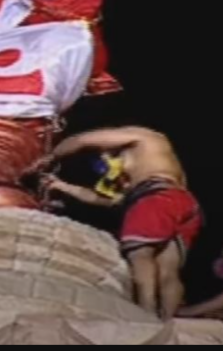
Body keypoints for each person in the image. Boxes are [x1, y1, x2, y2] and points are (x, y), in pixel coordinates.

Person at [42, 126, 202, 319]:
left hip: (155, 197)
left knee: (140, 256)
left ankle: (146, 313)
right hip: (181, 202)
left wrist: (47, 158)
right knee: (167, 269)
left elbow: (81, 140)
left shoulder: (144, 138)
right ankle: (168, 320)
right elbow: (111, 201)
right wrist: (61, 186)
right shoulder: (147, 162)